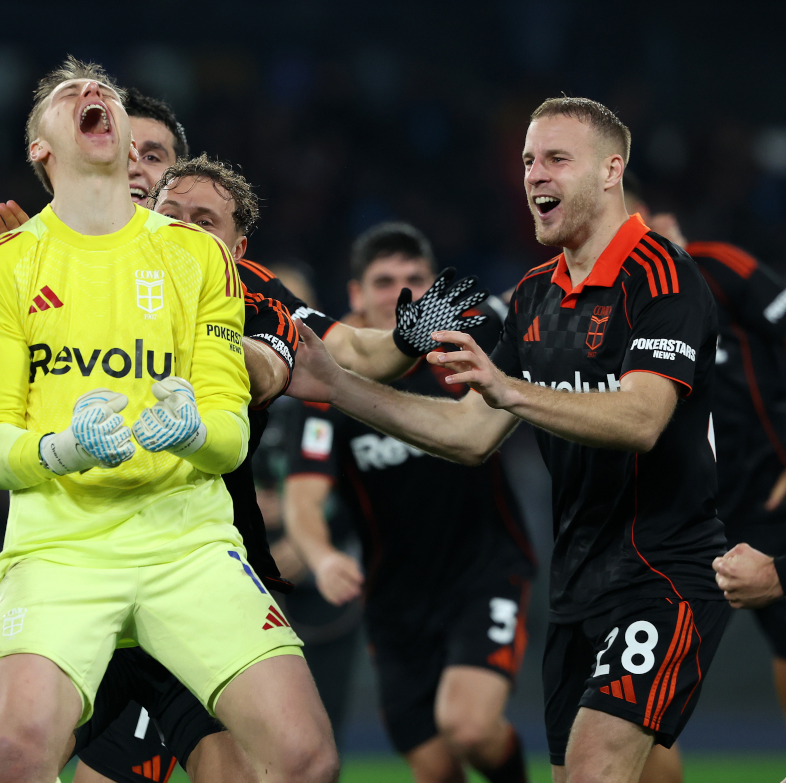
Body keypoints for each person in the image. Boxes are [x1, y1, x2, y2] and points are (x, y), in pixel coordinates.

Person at [284, 96, 730, 783]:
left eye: (556, 159)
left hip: (663, 576)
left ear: (612, 170)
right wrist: (338, 387)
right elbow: (468, 434)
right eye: (527, 161)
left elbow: (643, 419)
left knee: (592, 770)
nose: (533, 175)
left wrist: (508, 388)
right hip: (578, 588)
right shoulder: (532, 297)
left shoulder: (663, 277)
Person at [0, 56, 339, 783]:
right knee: (10, 755)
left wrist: (194, 429)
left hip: (186, 546)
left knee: (306, 759)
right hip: (62, 550)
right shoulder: (0, 269)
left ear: (131, 139)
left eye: (103, 91)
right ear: (41, 147)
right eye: (70, 95)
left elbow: (227, 437)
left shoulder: (198, 258)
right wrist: (63, 448)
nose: (92, 94)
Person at [283, 222, 534, 783]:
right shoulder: (330, 388)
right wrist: (322, 557)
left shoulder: (466, 360)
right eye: (384, 281)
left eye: (415, 280)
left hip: (483, 574)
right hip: (395, 602)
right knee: (436, 767)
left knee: (468, 726)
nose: (401, 293)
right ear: (355, 296)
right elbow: (304, 499)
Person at [624, 185, 786, 727]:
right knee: (630, 685)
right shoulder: (618, 313)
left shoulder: (719, 268)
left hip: (768, 495)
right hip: (683, 519)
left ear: (664, 220)